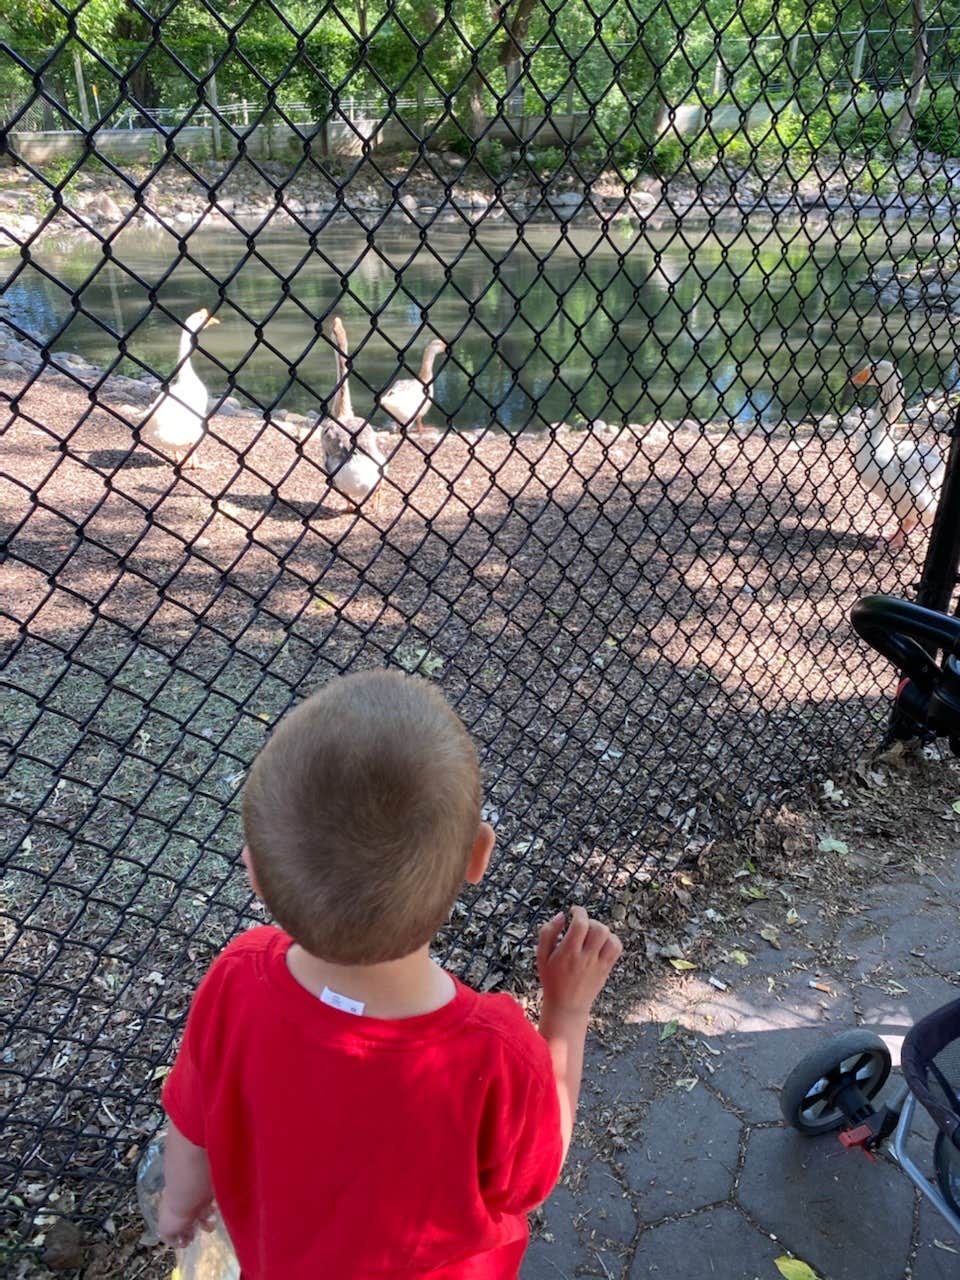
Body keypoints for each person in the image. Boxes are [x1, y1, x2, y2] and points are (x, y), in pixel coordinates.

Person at [158, 668, 622, 1278]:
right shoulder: (498, 1051)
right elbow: (530, 1182)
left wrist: (176, 1208)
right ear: (477, 856)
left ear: (255, 875)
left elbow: (193, 1131)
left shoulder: (236, 980)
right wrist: (566, 1012)